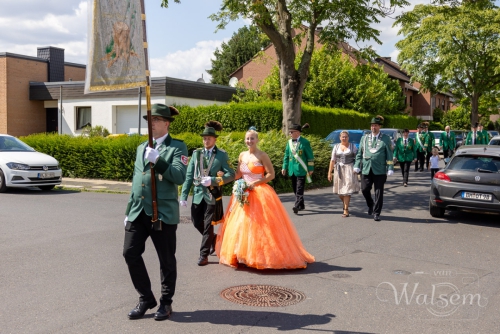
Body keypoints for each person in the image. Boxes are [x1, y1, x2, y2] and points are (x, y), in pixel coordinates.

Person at [123, 104, 188, 321]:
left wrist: (158, 161)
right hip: (139, 211)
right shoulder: (142, 147)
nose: (151, 124)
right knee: (129, 253)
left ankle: (166, 303)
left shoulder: (177, 147)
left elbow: (179, 177)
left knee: (166, 260)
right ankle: (145, 298)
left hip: (162, 213)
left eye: (156, 120)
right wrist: (128, 211)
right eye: (149, 120)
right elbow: (136, 182)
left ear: (167, 123)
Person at [216, 127, 315, 269]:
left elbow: (271, 175)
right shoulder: (242, 155)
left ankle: (260, 256)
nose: (249, 141)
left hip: (259, 192)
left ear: (257, 140)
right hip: (243, 192)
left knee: (260, 226)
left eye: (252, 138)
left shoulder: (262, 155)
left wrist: (255, 183)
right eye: (247, 138)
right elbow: (238, 174)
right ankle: (240, 254)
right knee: (241, 224)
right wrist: (223, 175)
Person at [180, 121, 235, 267]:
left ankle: (203, 255)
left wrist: (213, 180)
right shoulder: (196, 153)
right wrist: (184, 196)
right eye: (204, 138)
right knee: (196, 221)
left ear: (215, 139)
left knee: (207, 226)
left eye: (209, 138)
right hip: (198, 194)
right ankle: (214, 239)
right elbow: (189, 175)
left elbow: (231, 174)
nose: (206, 140)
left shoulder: (221, 155)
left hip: (211, 195)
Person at [354, 115, 394, 221]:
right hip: (366, 168)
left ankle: (377, 212)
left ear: (379, 126)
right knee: (364, 189)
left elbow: (389, 154)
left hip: (380, 169)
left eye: (375, 125)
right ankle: (370, 204)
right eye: (372, 125)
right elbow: (359, 153)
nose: (373, 127)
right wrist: (356, 165)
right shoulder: (365, 138)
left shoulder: (385, 138)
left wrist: (390, 167)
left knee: (378, 192)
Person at [281, 123, 314, 214]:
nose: (290, 133)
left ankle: (296, 206)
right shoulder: (289, 143)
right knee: (295, 189)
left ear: (298, 133)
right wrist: (284, 167)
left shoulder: (305, 142)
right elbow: (286, 156)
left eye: (292, 132)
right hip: (292, 170)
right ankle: (301, 204)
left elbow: (310, 157)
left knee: (299, 189)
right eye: (290, 132)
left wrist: (311, 168)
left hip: (301, 169)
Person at [327, 130, 360, 217]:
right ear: (340, 138)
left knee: (347, 190)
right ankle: (346, 202)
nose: (344, 138)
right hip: (338, 170)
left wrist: (357, 168)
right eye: (343, 137)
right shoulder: (336, 146)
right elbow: (332, 160)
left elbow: (358, 158)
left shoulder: (353, 147)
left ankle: (345, 209)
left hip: (349, 169)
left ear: (348, 138)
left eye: (346, 136)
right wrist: (329, 172)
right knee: (340, 191)